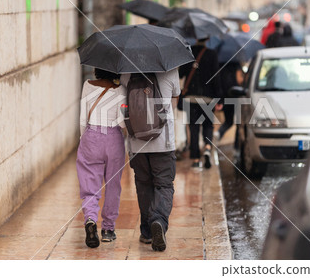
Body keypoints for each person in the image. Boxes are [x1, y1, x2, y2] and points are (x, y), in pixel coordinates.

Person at [120, 69, 180, 252]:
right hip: (163, 142)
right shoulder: (170, 71)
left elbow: (123, 106)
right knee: (164, 185)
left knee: (143, 185)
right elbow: (175, 99)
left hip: (137, 143)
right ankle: (158, 220)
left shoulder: (126, 73)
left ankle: (147, 232)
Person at [76, 68, 127, 248]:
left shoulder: (87, 85)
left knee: (90, 185)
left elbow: (83, 120)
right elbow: (121, 121)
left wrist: (85, 139)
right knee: (113, 185)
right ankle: (107, 230)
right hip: (113, 139)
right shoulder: (120, 89)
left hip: (91, 136)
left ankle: (90, 219)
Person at [179, 38, 224, 169]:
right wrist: (219, 98)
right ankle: (208, 148)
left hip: (191, 97)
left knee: (193, 128)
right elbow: (216, 77)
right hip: (208, 97)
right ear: (208, 39)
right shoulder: (212, 54)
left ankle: (196, 159)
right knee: (208, 125)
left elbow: (181, 74)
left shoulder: (188, 53)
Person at [216, 61, 244, 143]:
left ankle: (218, 134)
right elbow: (239, 79)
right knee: (239, 123)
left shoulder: (220, 63)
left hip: (224, 95)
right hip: (236, 94)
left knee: (228, 121)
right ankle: (236, 146)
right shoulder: (236, 64)